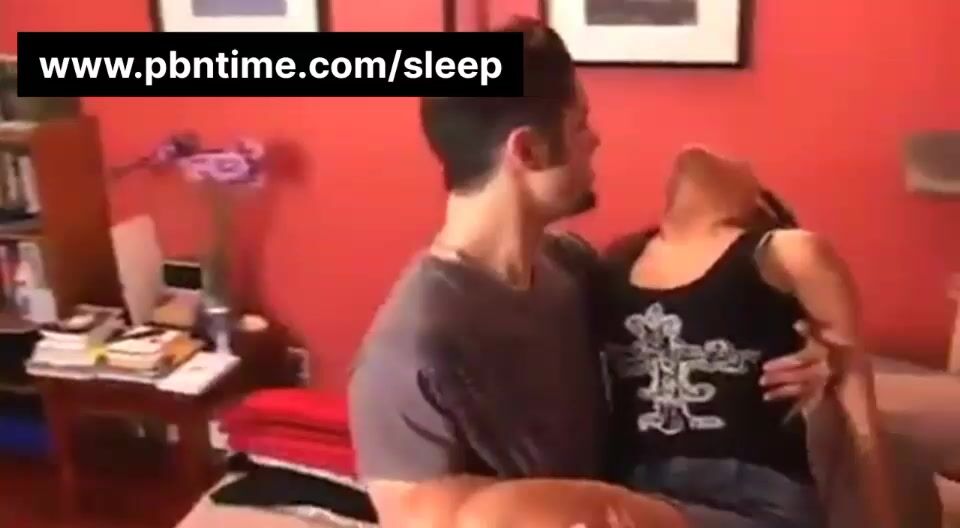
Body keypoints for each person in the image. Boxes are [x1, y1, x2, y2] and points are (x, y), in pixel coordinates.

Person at [347, 18, 833, 528]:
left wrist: (818, 353)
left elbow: (694, 322)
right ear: (528, 151)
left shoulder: (570, 267)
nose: (595, 141)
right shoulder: (406, 353)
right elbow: (421, 518)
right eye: (580, 125)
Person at [598, 146, 897, 528]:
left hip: (753, 497)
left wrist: (882, 517)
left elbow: (857, 398)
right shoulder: (612, 263)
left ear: (755, 200)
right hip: (636, 490)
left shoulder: (786, 252)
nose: (700, 153)